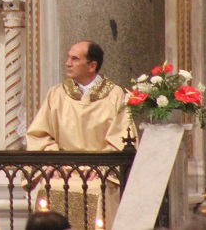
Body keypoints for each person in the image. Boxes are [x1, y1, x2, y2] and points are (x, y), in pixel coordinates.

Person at [26, 41, 133, 230]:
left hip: (98, 173)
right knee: (49, 185)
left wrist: (99, 166)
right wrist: (54, 161)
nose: (68, 63)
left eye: (75, 59)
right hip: (61, 169)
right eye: (68, 57)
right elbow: (40, 134)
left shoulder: (115, 95)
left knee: (98, 189)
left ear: (92, 66)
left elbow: (123, 139)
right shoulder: (57, 94)